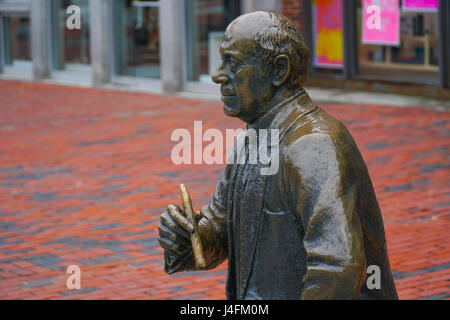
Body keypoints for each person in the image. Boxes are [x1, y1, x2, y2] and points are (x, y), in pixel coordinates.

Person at [158, 11, 398, 300]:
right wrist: (190, 238)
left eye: (233, 63)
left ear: (278, 71)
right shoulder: (252, 139)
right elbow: (221, 228)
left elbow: (337, 268)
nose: (217, 75)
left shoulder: (314, 145)